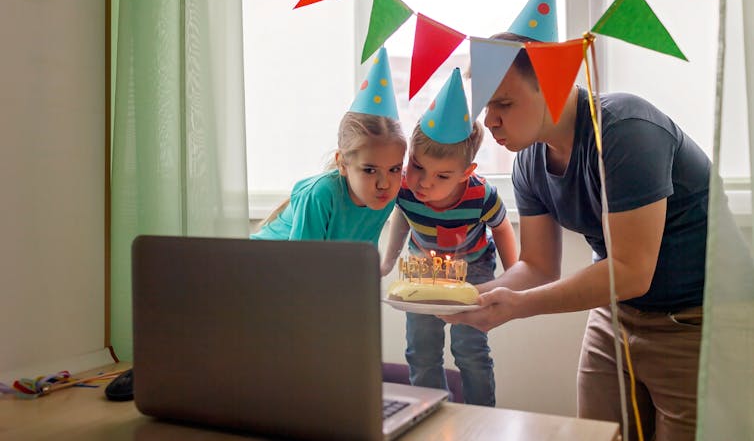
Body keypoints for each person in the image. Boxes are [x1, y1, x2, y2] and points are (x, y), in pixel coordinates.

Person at [443, 30, 714, 440]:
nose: (489, 120)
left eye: (503, 103)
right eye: (484, 106)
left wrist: (517, 307)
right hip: (615, 317)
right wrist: (472, 297)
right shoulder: (529, 162)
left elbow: (630, 270)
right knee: (596, 434)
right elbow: (536, 266)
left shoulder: (625, 130)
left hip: (692, 322)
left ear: (554, 85)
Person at [381, 68, 517, 407]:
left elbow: (501, 227)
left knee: (470, 350)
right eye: (418, 167)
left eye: (442, 175)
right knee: (421, 349)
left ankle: (481, 417)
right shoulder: (406, 190)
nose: (424, 182)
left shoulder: (481, 195)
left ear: (465, 174)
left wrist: (514, 275)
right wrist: (387, 259)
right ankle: (430, 414)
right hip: (422, 269)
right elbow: (404, 216)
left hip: (473, 270)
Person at [251, 48, 406, 245]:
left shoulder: (385, 197)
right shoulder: (320, 195)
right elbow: (302, 264)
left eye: (394, 169)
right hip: (263, 266)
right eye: (369, 170)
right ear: (342, 163)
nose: (384, 183)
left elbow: (360, 258)